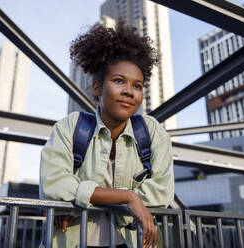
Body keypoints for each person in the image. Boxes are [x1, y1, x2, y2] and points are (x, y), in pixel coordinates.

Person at [39, 19, 174, 248]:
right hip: (72, 241)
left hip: (133, 242)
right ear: (97, 88)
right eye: (119, 81)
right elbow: (54, 185)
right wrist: (128, 198)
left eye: (137, 86)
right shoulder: (70, 127)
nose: (129, 92)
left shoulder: (152, 132)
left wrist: (78, 201)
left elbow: (161, 193)